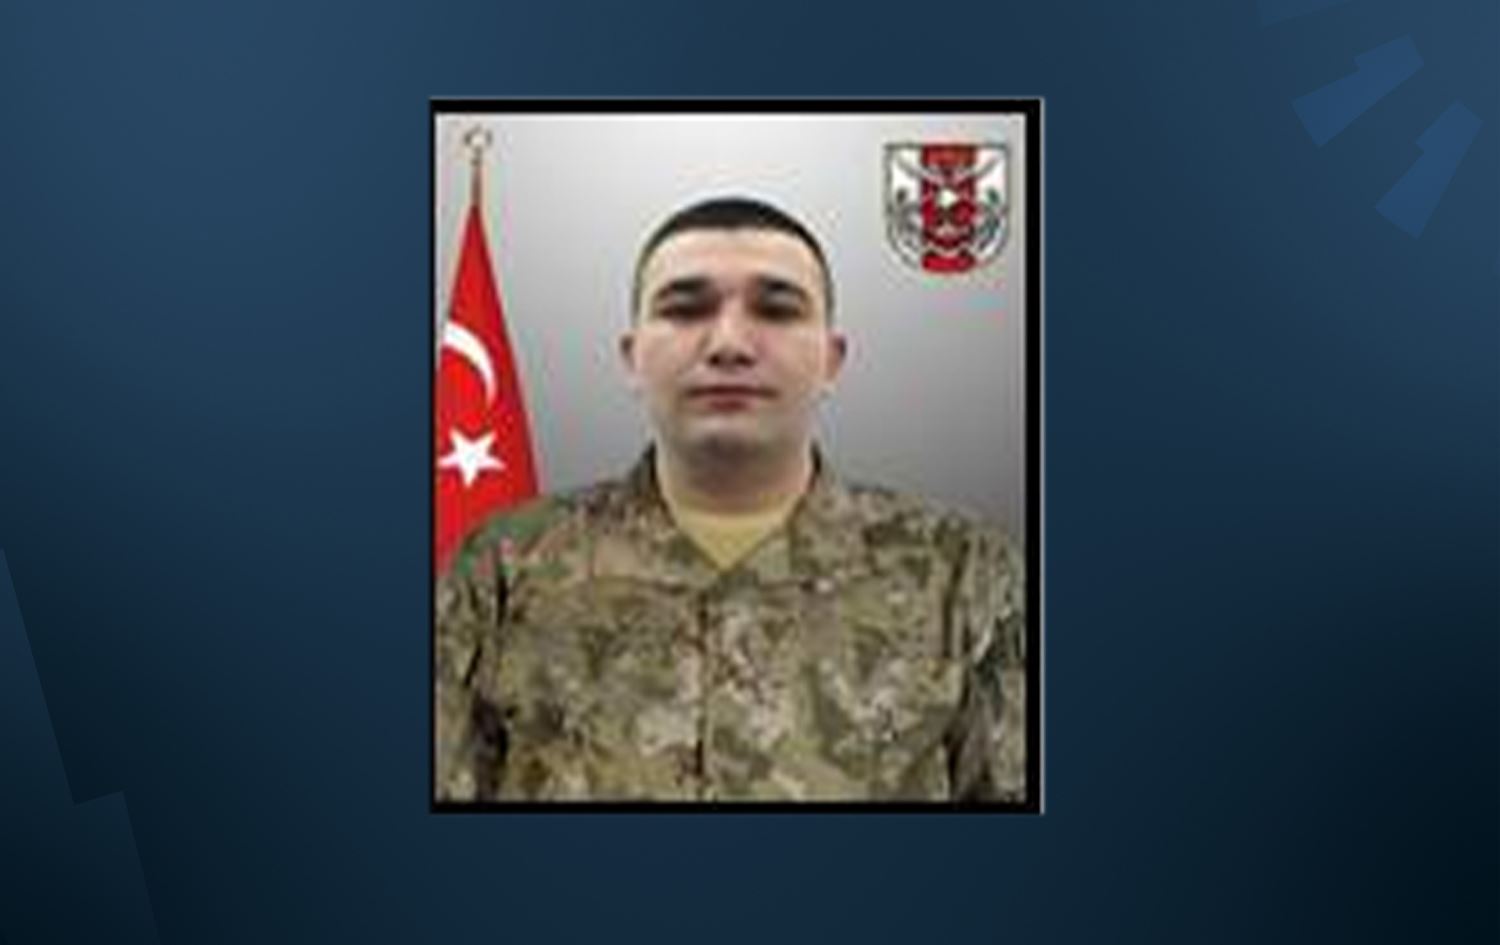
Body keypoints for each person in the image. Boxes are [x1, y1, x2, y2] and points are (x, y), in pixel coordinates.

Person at [435, 196, 1027, 802]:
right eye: (685, 309)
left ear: (832, 360)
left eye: (777, 310)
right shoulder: (503, 568)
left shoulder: (965, 574)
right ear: (631, 358)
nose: (729, 344)